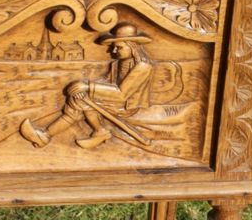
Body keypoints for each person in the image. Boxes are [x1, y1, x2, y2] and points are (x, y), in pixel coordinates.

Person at [20, 23, 154, 149]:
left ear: (133, 46)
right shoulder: (117, 64)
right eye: (113, 46)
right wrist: (87, 87)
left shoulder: (142, 67)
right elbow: (107, 82)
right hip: (114, 99)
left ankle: (97, 131)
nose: (113, 50)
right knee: (79, 97)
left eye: (119, 47)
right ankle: (45, 136)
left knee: (81, 100)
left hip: (125, 105)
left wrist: (88, 86)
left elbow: (121, 94)